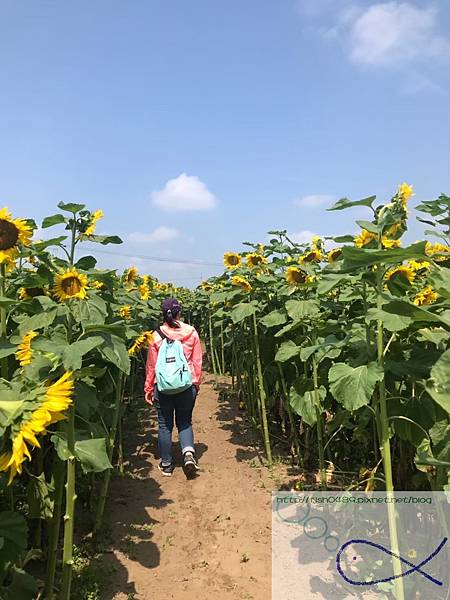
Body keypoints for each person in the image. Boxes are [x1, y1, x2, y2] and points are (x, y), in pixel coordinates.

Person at [144, 297, 203, 477]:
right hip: (186, 385)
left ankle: (167, 464)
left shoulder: (155, 335)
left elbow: (151, 365)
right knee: (185, 421)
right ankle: (188, 455)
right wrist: (196, 383)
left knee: (164, 425)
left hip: (162, 387)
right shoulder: (191, 332)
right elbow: (197, 361)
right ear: (180, 313)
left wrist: (148, 388)